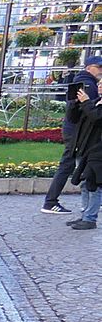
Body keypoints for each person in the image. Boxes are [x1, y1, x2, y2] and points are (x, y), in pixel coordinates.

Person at [44, 55, 102, 214]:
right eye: (99, 67)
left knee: (78, 165)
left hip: (75, 131)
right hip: (77, 132)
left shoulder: (82, 82)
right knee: (72, 165)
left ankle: (86, 205)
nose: (101, 71)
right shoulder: (87, 84)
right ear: (89, 68)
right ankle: (51, 201)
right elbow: (92, 113)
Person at [68, 78, 102, 229]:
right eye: (99, 83)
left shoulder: (92, 103)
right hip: (84, 149)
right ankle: (85, 215)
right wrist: (75, 104)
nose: (99, 86)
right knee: (84, 184)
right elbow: (74, 119)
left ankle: (90, 218)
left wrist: (86, 102)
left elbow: (98, 118)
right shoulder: (95, 101)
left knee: (94, 185)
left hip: (97, 152)